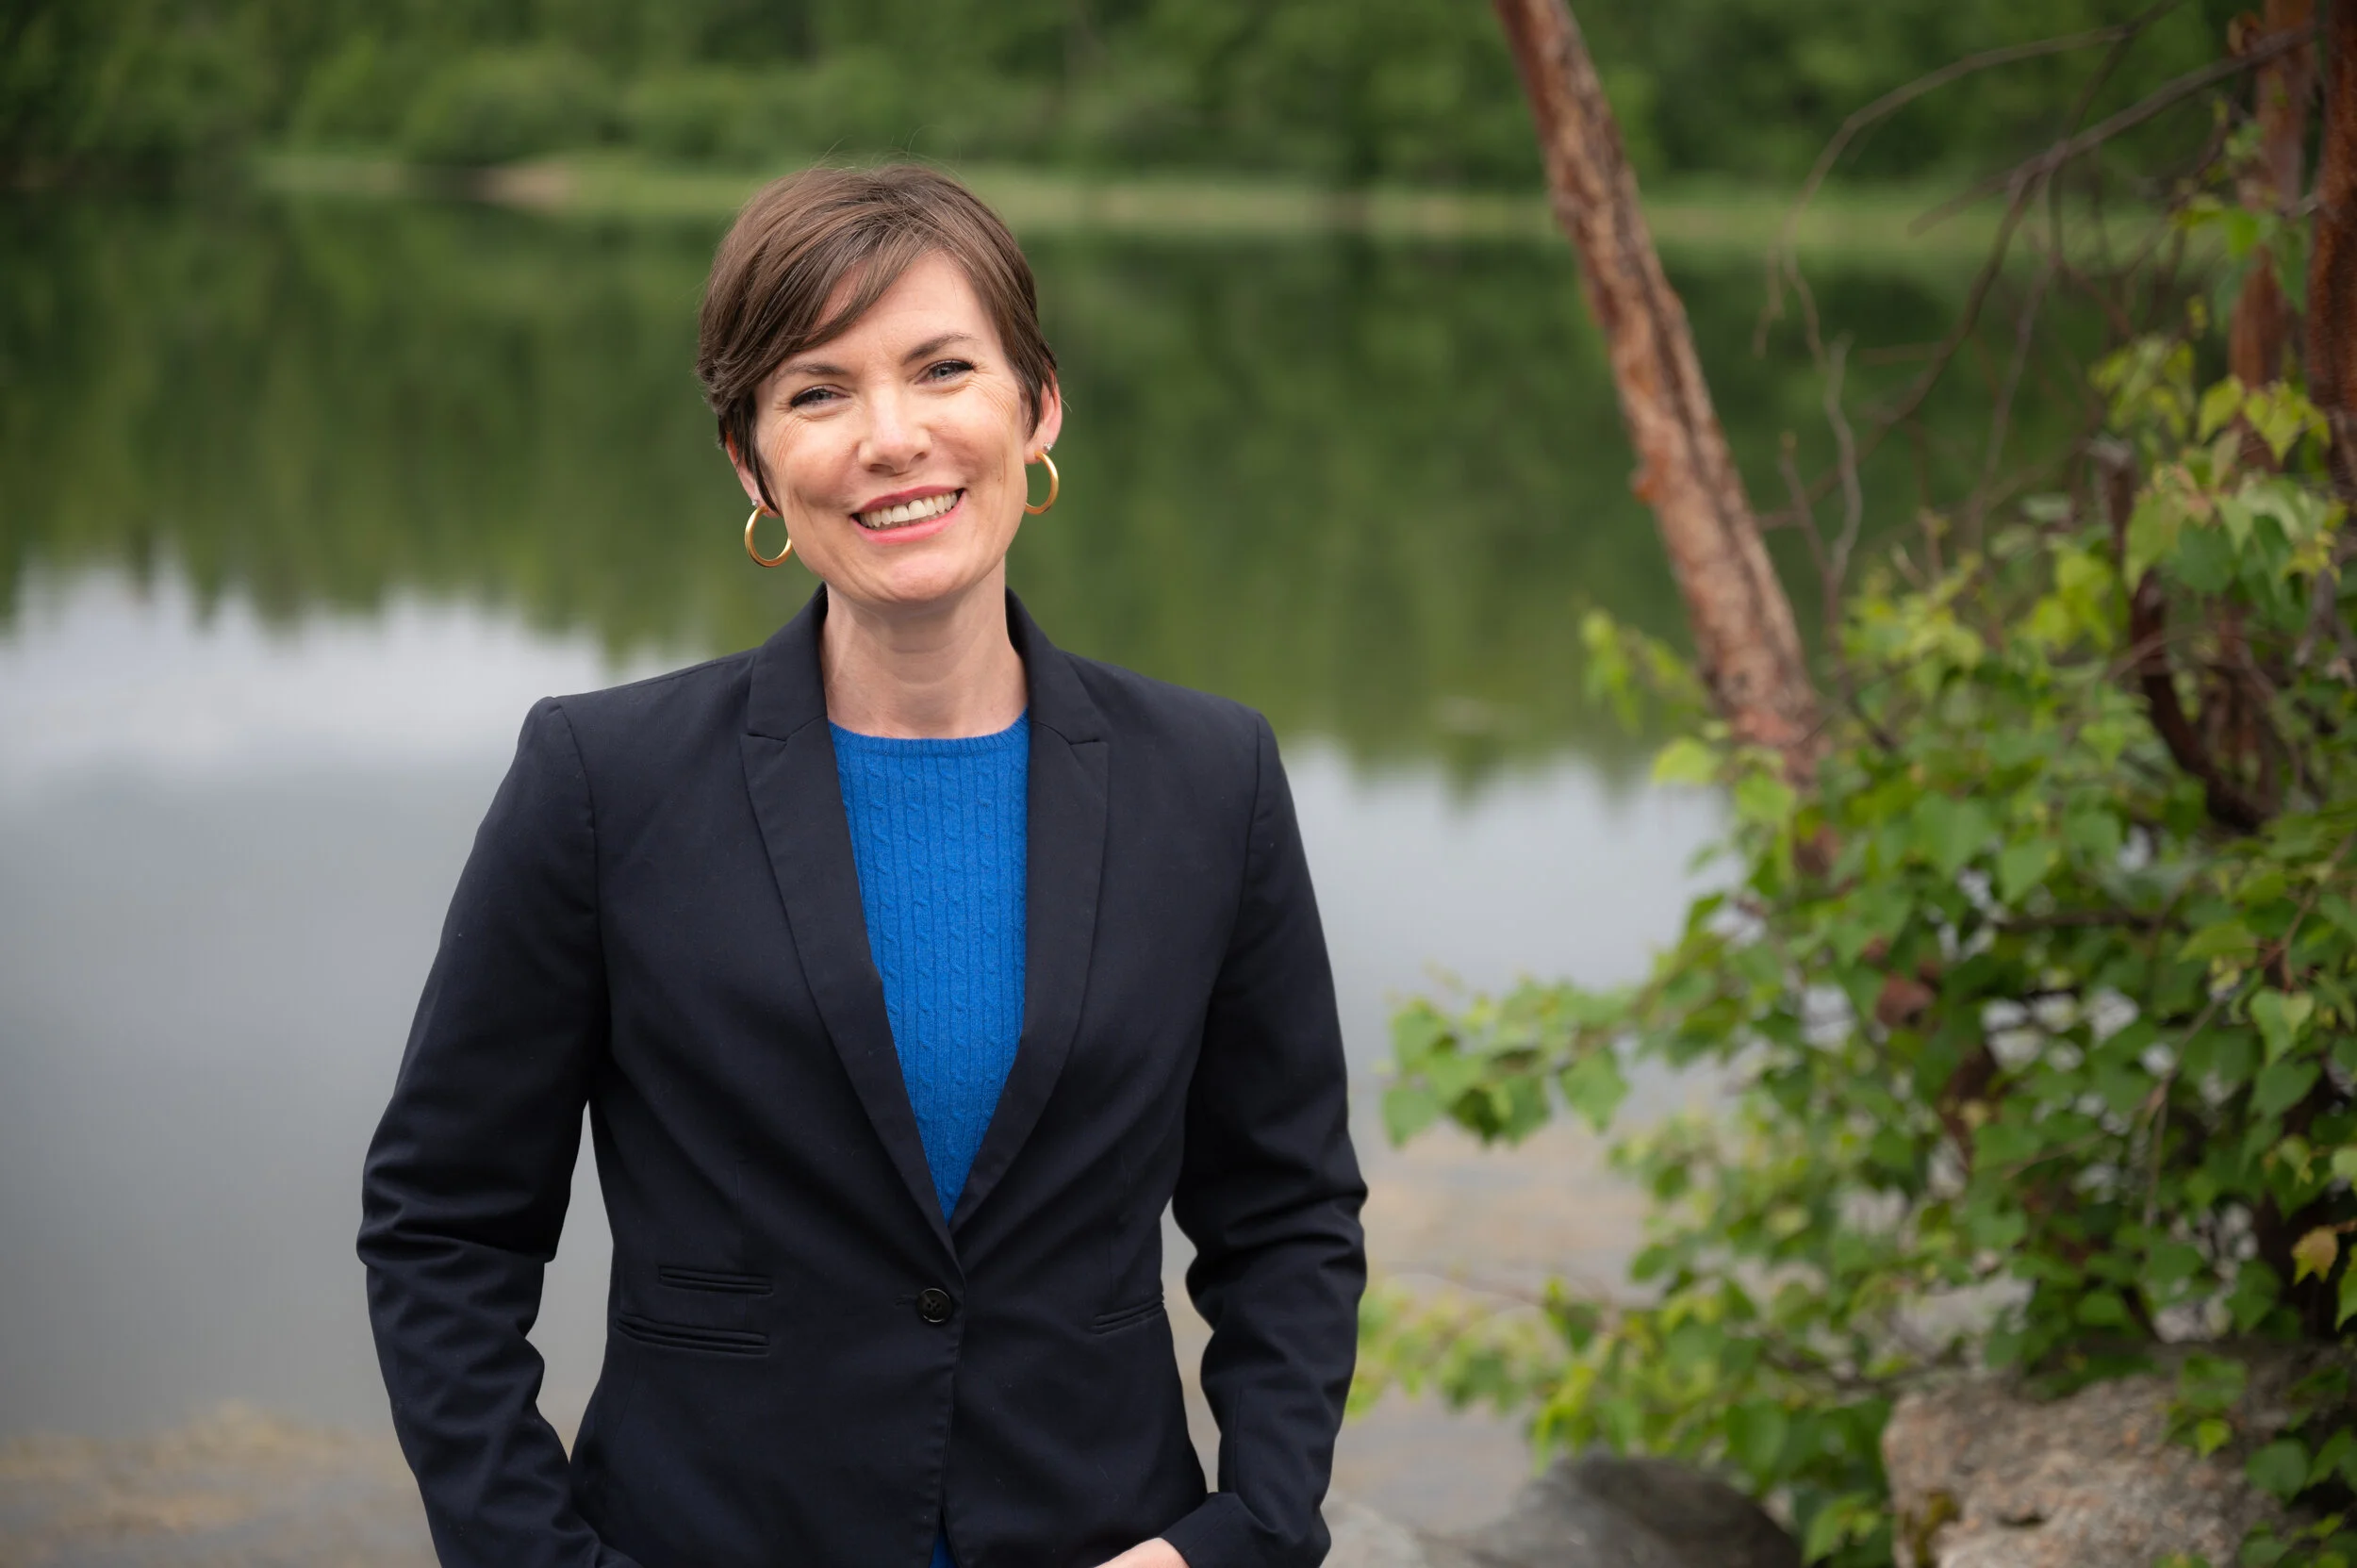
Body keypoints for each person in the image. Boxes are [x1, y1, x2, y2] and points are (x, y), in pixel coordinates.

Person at [357, 164, 1366, 1568]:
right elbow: (443, 1230)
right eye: (818, 392)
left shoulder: (1213, 778)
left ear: (1039, 404)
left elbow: (1287, 1217)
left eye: (944, 368)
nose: (894, 438)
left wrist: (1246, 1535)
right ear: (751, 462)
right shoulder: (601, 782)